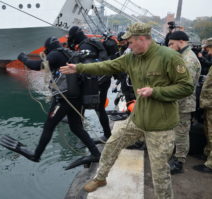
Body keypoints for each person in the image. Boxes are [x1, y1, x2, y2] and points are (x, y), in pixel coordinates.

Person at [60, 22, 194, 199]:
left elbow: (186, 87)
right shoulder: (131, 57)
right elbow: (106, 66)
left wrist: (156, 92)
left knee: (160, 173)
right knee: (112, 144)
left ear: (141, 39)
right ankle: (100, 178)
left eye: (130, 42)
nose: (128, 46)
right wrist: (78, 68)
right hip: (137, 119)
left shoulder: (169, 57)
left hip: (160, 126)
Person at [1, 36, 100, 162]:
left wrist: (23, 58)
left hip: (64, 99)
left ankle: (36, 155)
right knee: (76, 127)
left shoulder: (55, 54)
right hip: (77, 98)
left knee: (49, 126)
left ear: (48, 48)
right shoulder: (68, 52)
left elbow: (36, 65)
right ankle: (96, 154)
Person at [67, 26, 111, 140]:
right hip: (105, 78)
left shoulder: (85, 46)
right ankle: (107, 134)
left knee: (82, 107)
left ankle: (84, 139)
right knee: (100, 108)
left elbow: (87, 66)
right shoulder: (93, 41)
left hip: (96, 81)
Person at [167, 31, 201, 174]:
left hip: (184, 104)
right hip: (178, 102)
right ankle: (175, 157)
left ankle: (179, 162)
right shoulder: (182, 56)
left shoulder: (189, 60)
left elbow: (185, 87)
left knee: (181, 134)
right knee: (177, 132)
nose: (169, 47)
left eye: (171, 44)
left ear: (181, 41)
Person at [193, 38, 212, 174]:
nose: (207, 52)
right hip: (208, 103)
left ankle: (210, 164)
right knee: (208, 131)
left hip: (210, 102)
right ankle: (207, 154)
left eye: (208, 49)